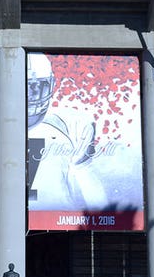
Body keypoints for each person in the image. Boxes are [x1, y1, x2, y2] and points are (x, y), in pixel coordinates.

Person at [25, 53, 107, 210]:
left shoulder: (71, 124)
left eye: (38, 85)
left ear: (51, 84)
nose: (31, 93)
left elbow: (86, 179)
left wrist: (103, 218)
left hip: (60, 220)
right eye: (26, 86)